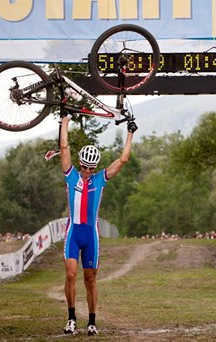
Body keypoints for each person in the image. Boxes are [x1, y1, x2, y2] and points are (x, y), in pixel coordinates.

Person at [59, 114, 138, 335]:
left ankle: (92, 321)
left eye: (90, 169)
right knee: (71, 274)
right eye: (84, 168)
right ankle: (71, 318)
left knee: (90, 279)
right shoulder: (71, 176)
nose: (86, 172)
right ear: (80, 165)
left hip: (90, 234)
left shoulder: (100, 179)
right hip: (74, 233)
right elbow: (64, 146)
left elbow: (122, 160)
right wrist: (65, 121)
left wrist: (130, 133)